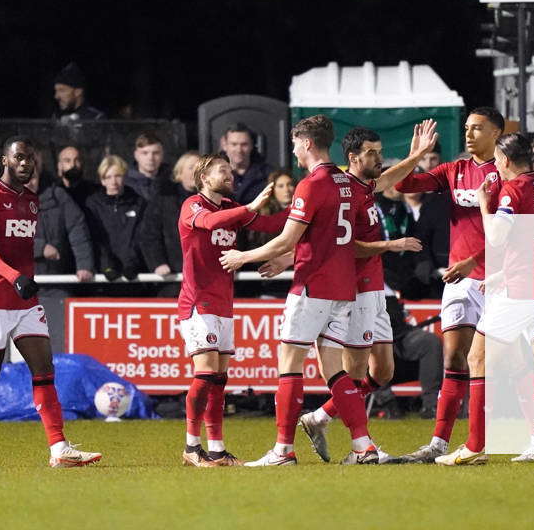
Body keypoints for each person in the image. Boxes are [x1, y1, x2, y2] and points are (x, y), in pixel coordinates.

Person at [220, 116, 435, 466]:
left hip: (313, 285)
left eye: (294, 143)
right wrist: (291, 255)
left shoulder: (313, 183)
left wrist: (243, 256)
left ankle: (283, 451)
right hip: (341, 290)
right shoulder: (345, 183)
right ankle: (362, 445)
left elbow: (291, 237)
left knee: (290, 366)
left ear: (306, 143)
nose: (292, 149)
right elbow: (326, 238)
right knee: (337, 372)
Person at [435, 132, 534, 466]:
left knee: (477, 358)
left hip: (522, 292)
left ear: (507, 160)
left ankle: (474, 446)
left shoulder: (513, 191)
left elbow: (497, 238)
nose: (495, 164)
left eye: (497, 159)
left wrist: (486, 205)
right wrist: (498, 276)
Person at [297, 125, 434, 462]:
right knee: (354, 372)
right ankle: (361, 446)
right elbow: (345, 246)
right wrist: (391, 245)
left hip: (376, 290)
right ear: (353, 157)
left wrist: (416, 155)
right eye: (372, 152)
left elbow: (391, 177)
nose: (379, 158)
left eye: (379, 150)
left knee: (383, 372)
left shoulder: (366, 186)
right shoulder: (342, 192)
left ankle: (319, 417)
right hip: (353, 290)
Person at [0, 136, 100, 470]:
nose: (26, 163)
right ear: (5, 160)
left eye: (31, 159)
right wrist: (14, 276)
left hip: (24, 301)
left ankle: (59, 448)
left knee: (44, 371)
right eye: (19, 158)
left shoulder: (31, 201)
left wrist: (23, 278)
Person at [391, 107, 505, 464]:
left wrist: (474, 260)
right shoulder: (455, 171)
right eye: (467, 128)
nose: (469, 134)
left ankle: (519, 438)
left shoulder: (506, 174)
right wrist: (416, 155)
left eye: (477, 128)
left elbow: (509, 234)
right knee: (454, 357)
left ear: (496, 134)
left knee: (501, 363)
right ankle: (439, 442)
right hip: (460, 281)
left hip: (496, 279)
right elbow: (403, 185)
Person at [176, 153, 285, 467]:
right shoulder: (192, 205)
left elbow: (270, 224)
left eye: (229, 171)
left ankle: (217, 449)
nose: (229, 175)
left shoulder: (231, 208)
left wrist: (305, 207)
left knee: (219, 379)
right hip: (198, 301)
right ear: (204, 177)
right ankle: (191, 446)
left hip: (224, 302)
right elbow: (209, 223)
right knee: (206, 373)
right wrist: (248, 207)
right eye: (221, 171)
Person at [29, 155, 95, 282]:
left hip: (56, 281)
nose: (29, 183)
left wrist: (84, 266)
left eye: (32, 178)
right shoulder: (3, 201)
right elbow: (1, 240)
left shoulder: (58, 197)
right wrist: (40, 248)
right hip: (17, 285)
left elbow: (77, 230)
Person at [139, 151, 201, 278]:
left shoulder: (217, 201)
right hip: (173, 275)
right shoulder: (163, 200)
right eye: (190, 168)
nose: (195, 172)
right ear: (180, 173)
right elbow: (149, 235)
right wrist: (158, 263)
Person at [86, 155, 146, 280]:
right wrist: (107, 265)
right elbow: (95, 238)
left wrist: (132, 264)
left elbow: (141, 236)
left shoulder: (139, 203)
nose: (113, 182)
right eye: (108, 177)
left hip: (134, 274)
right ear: (102, 180)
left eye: (118, 176)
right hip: (103, 275)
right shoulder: (92, 204)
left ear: (124, 177)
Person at [221, 123, 272, 204]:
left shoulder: (268, 174)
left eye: (244, 144)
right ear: (224, 145)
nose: (239, 150)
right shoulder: (214, 174)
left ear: (252, 145)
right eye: (234, 144)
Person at [125, 132, 166, 201]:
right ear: (136, 155)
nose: (150, 158)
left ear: (162, 155)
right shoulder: (123, 183)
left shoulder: (174, 181)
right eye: (145, 153)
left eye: (156, 153)